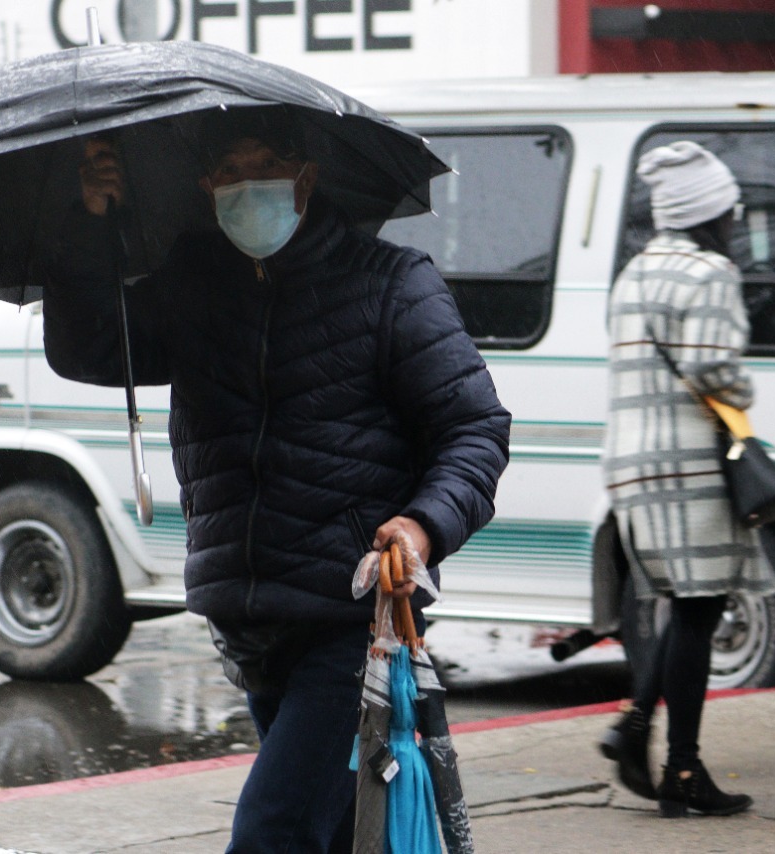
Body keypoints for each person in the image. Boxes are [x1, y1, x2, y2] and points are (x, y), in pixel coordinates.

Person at [41, 106, 511, 853]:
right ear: (205, 186)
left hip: (354, 614)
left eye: (264, 166)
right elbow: (93, 349)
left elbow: (474, 428)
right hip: (249, 617)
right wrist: (90, 225)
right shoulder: (192, 280)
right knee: (329, 831)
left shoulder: (389, 283)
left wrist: (423, 523)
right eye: (228, 173)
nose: (245, 187)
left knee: (273, 830)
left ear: (306, 177)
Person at [598, 140, 775, 818]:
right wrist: (746, 387)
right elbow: (713, 368)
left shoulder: (635, 273)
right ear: (710, 214)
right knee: (700, 611)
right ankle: (679, 767)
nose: (735, 222)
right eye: (730, 211)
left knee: (690, 606)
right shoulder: (709, 274)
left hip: (632, 464)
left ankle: (637, 726)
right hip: (690, 467)